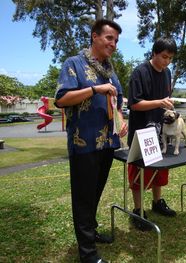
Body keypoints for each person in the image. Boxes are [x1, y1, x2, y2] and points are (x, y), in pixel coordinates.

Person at [55, 19, 128, 263]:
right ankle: (87, 254)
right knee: (83, 198)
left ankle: (91, 232)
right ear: (95, 37)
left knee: (95, 193)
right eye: (109, 38)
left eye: (116, 40)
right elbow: (62, 99)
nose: (113, 44)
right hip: (83, 143)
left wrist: (120, 119)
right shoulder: (73, 63)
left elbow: (117, 100)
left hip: (107, 142)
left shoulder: (109, 69)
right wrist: (95, 90)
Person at [127, 37, 177, 231]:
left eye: (170, 58)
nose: (166, 62)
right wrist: (159, 102)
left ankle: (157, 203)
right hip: (141, 132)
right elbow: (134, 103)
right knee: (139, 171)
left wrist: (166, 103)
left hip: (160, 130)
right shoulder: (140, 72)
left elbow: (165, 99)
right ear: (154, 53)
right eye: (164, 57)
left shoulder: (167, 73)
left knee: (159, 169)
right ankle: (138, 211)